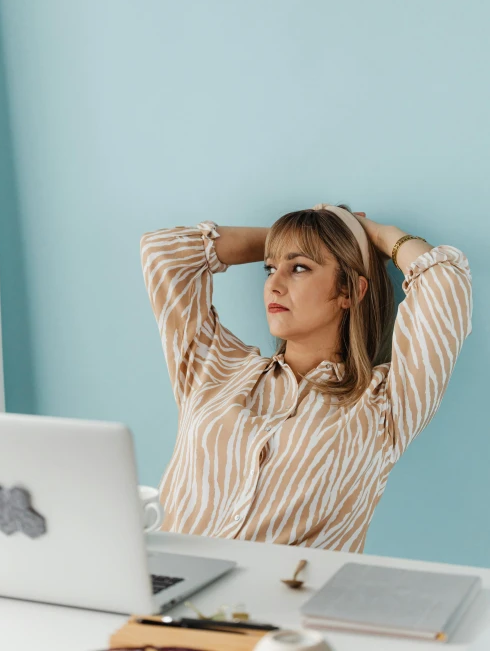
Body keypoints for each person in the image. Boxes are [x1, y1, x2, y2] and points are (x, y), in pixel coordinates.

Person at [139, 203, 472, 551]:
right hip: (166, 590)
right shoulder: (215, 370)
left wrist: (376, 234)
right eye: (270, 268)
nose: (274, 285)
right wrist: (298, 240)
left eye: (299, 267)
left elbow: (444, 283)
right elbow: (164, 254)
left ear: (349, 291)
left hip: (284, 600)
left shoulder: (383, 406)